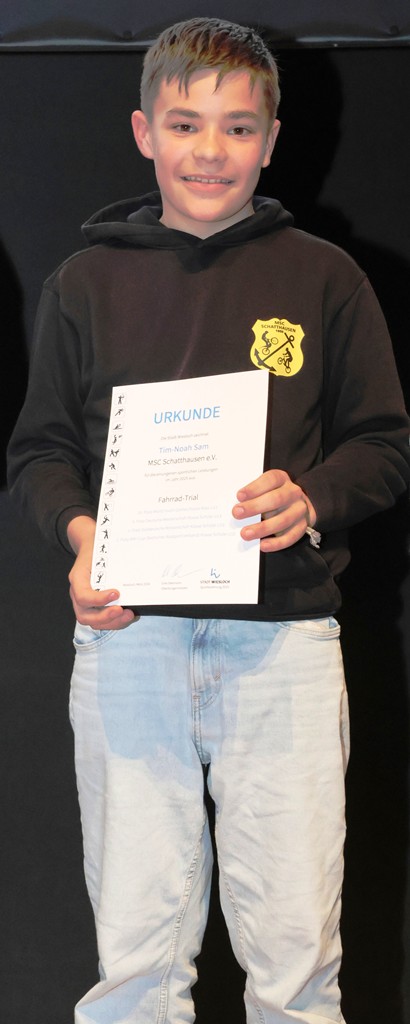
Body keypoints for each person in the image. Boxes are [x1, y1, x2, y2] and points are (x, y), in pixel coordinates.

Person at [7, 17, 410, 1024]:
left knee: (296, 964)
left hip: (282, 645)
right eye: (186, 125)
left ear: (271, 141)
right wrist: (82, 538)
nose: (210, 151)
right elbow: (40, 452)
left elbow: (382, 443)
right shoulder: (83, 284)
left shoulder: (326, 276)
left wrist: (310, 495)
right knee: (135, 966)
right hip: (130, 638)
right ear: (145, 131)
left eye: (238, 128)